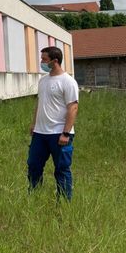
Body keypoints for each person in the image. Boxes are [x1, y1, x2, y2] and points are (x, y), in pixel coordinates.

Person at [28, 46, 79, 200]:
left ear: (55, 61)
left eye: (44, 59)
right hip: (40, 133)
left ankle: (63, 202)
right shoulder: (43, 81)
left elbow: (73, 107)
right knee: (33, 166)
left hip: (59, 134)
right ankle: (34, 197)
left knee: (61, 169)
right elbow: (40, 103)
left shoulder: (68, 82)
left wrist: (65, 133)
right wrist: (34, 124)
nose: (41, 62)